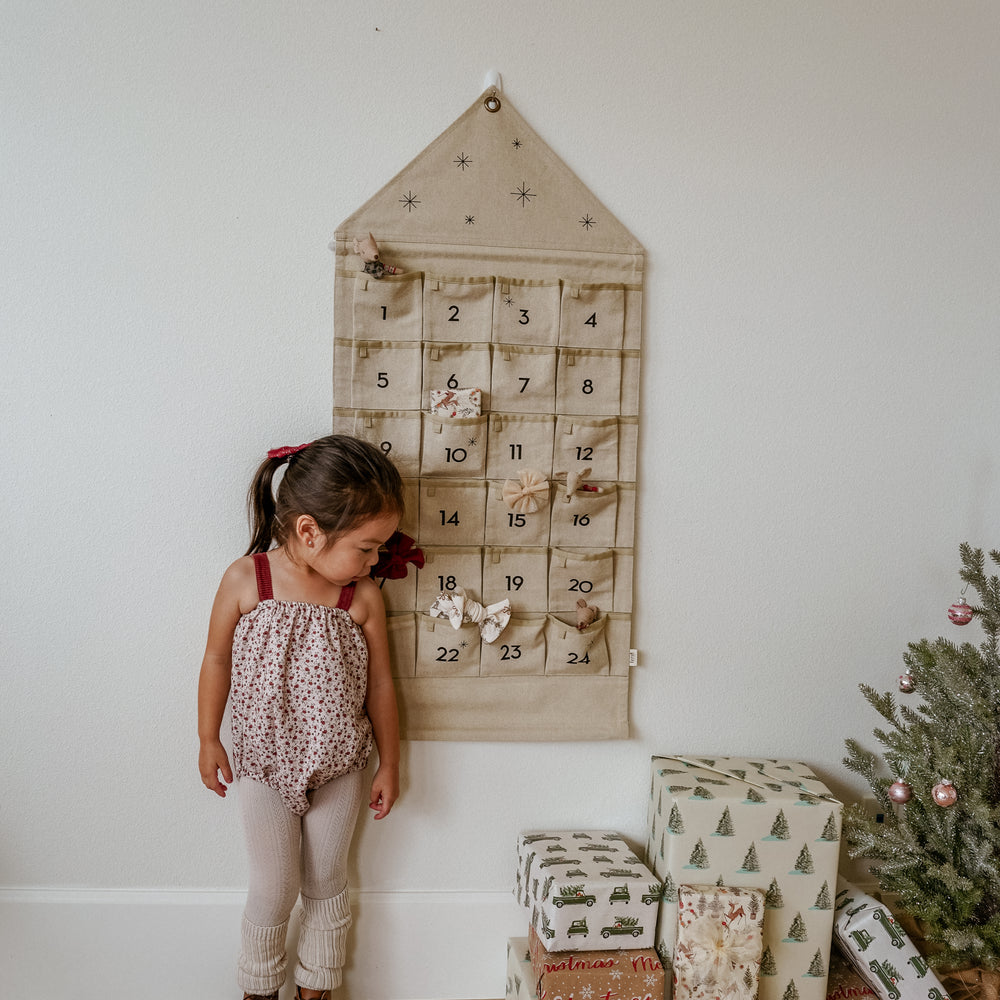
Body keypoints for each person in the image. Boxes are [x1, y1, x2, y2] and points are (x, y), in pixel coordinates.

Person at [197, 434, 405, 1000]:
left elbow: (382, 684)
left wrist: (390, 762)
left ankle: (317, 989)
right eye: (367, 548)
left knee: (326, 882)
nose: (376, 561)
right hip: (263, 762)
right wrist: (207, 739)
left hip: (340, 763)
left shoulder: (359, 596)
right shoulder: (247, 580)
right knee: (273, 886)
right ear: (310, 531)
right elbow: (216, 659)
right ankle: (260, 990)